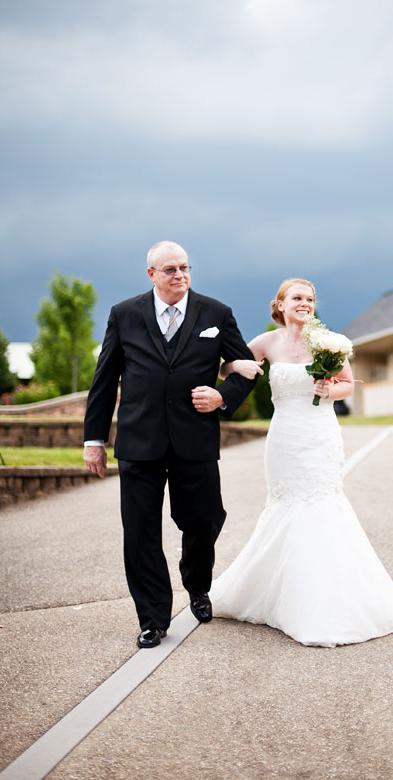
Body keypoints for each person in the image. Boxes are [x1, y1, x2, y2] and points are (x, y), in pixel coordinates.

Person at [211, 278, 393, 647]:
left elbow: (349, 385)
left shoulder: (328, 342)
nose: (304, 304)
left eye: (309, 299)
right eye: (297, 298)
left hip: (319, 435)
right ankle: (275, 592)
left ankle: (322, 603)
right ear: (281, 304)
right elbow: (229, 367)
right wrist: (238, 370)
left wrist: (329, 389)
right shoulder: (266, 343)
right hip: (284, 437)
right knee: (284, 505)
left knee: (321, 504)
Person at [83, 241, 256, 648]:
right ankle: (153, 618)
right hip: (138, 442)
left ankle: (197, 585)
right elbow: (104, 381)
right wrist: (94, 439)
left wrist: (222, 396)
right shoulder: (124, 314)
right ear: (151, 275)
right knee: (140, 532)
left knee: (205, 519)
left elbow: (246, 369)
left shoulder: (216, 313)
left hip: (194, 440)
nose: (179, 275)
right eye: (170, 270)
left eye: (184, 268)